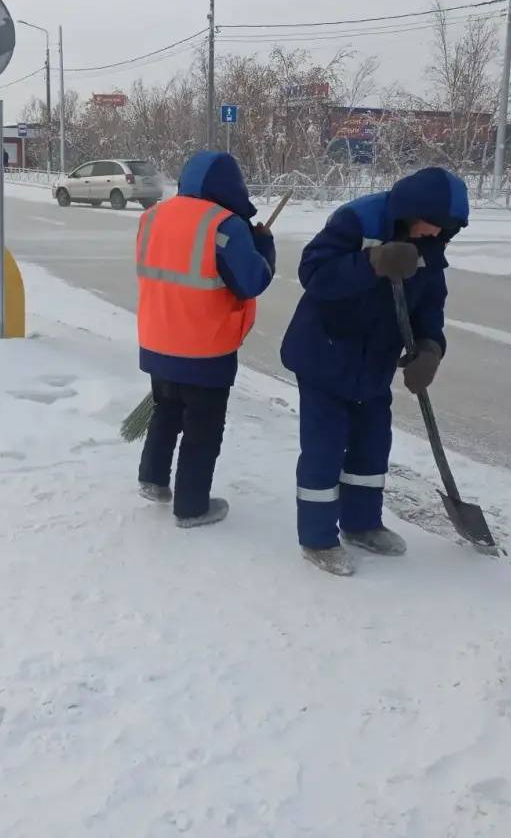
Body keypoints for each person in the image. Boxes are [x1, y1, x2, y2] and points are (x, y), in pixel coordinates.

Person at [280, 168, 468, 576]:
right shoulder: (359, 220)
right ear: (409, 210)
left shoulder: (431, 242)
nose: (434, 232)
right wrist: (372, 262)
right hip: (324, 353)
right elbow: (314, 274)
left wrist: (431, 348)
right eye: (431, 221)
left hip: (375, 360)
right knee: (324, 450)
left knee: (372, 445)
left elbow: (430, 304)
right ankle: (317, 538)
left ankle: (362, 524)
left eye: (445, 228)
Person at [135, 151, 276, 528]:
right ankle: (192, 506)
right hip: (204, 348)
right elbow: (252, 281)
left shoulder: (152, 217)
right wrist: (263, 246)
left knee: (165, 411)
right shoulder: (224, 226)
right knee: (203, 429)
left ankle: (152, 479)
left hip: (156, 338)